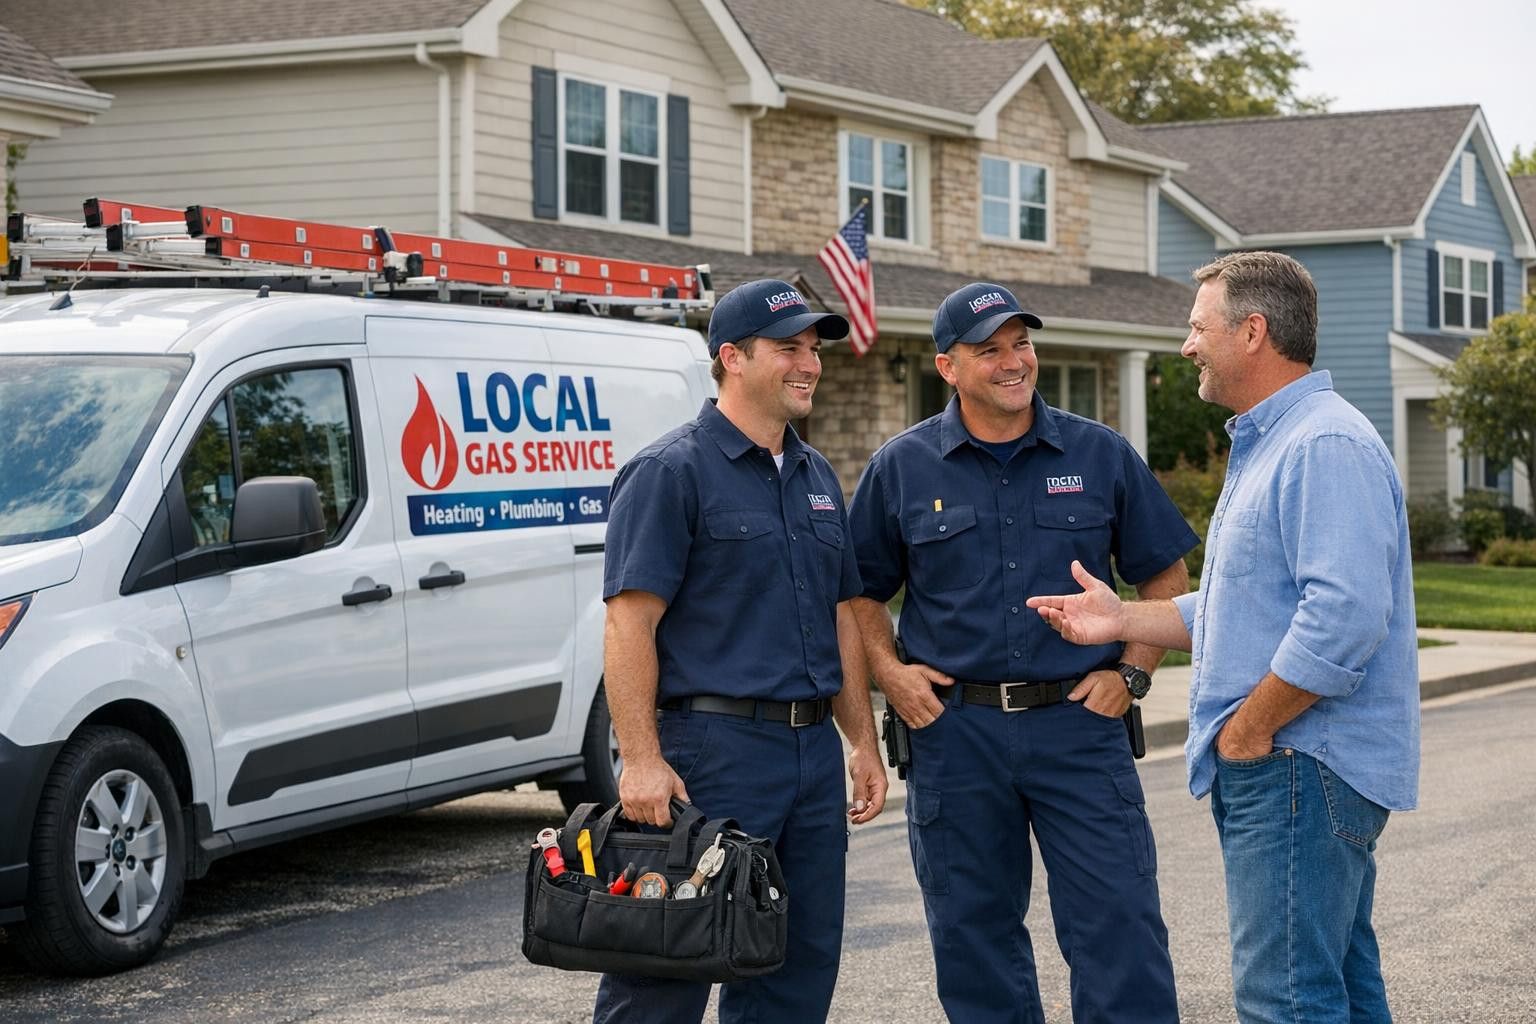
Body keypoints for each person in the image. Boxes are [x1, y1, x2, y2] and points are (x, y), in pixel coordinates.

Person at [1028, 251, 1419, 1024]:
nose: (1185, 345)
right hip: (1298, 768)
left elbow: (1343, 619)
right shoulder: (1279, 440)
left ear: (1252, 331)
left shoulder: (1320, 444)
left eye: (1197, 327)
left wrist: (1249, 730)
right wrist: (1122, 620)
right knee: (1339, 985)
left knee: (1287, 1002)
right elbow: (1247, 607)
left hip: (1299, 767)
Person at [847, 282, 1195, 1023]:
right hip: (955, 734)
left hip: (1079, 727)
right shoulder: (902, 468)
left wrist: (1132, 671)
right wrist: (888, 672)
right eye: (990, 350)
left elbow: (1165, 571)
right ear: (948, 367)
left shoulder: (1098, 454)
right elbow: (858, 592)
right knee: (973, 939)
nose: (1013, 362)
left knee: (1120, 928)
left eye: (1021, 344)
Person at [594, 278, 887, 1024]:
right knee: (671, 959)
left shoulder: (817, 476)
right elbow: (630, 624)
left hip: (809, 757)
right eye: (788, 348)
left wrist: (861, 739)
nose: (809, 364)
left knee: (795, 958)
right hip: (712, 753)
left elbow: (842, 618)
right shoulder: (671, 472)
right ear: (731, 357)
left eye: (814, 349)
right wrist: (642, 758)